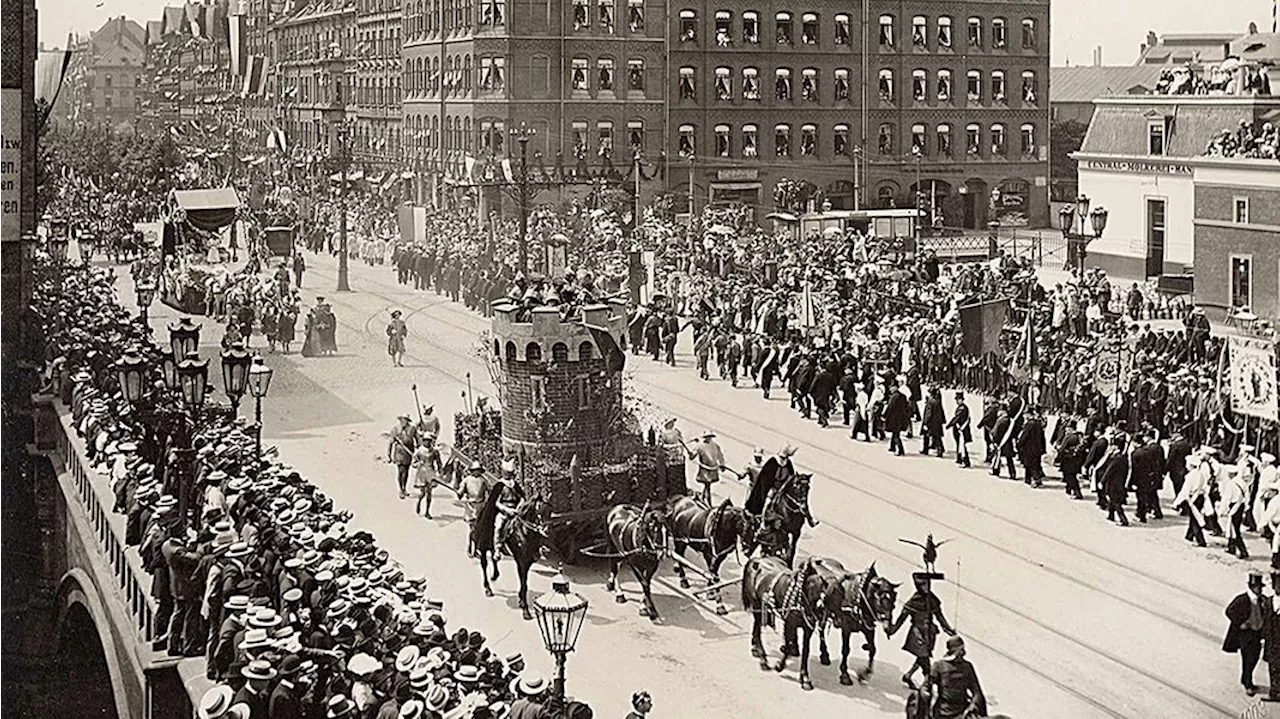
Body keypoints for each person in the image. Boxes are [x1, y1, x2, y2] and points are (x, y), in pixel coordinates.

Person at [887, 572, 956, 688]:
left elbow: (940, 616)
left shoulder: (932, 600)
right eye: (923, 585)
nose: (926, 588)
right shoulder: (913, 602)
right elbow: (901, 619)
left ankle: (908, 675)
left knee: (924, 656)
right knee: (924, 658)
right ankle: (928, 683)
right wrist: (892, 630)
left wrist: (948, 629)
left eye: (928, 585)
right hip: (917, 633)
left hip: (930, 633)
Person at [1224, 571, 1267, 696]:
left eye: (1261, 587)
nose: (1260, 590)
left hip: (1257, 634)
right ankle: (1248, 683)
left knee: (1255, 657)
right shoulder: (1242, 599)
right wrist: (1241, 623)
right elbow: (1229, 611)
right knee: (1248, 659)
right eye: (1258, 587)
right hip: (1245, 635)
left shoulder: (1262, 600)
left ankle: (1245, 678)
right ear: (1252, 587)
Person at [926, 636, 987, 719]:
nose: (963, 651)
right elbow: (927, 685)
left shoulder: (967, 666)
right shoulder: (939, 665)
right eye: (961, 649)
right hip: (943, 711)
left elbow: (976, 691)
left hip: (963, 710)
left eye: (963, 648)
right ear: (954, 650)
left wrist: (973, 705)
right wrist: (926, 695)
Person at [689, 431, 726, 504]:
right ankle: (707, 501)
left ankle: (703, 499)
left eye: (710, 437)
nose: (708, 438)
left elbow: (720, 456)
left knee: (707, 486)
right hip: (705, 469)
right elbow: (692, 456)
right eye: (707, 437)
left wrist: (722, 464)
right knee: (707, 485)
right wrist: (690, 453)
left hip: (713, 469)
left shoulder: (715, 446)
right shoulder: (699, 446)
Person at [411, 433, 442, 518]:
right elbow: (413, 463)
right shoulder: (419, 451)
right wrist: (418, 463)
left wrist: (440, 470)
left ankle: (427, 511)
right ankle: (419, 502)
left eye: (429, 441)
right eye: (425, 441)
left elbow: (439, 462)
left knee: (429, 493)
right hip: (422, 472)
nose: (427, 443)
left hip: (431, 472)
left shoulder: (434, 451)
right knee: (423, 493)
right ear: (423, 441)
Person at [387, 414, 416, 499]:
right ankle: (401, 489)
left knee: (406, 471)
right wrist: (388, 454)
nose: (403, 421)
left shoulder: (412, 429)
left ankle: (404, 488)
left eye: (405, 420)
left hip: (408, 452)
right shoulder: (395, 429)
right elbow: (390, 442)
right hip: (399, 452)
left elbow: (417, 439)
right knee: (401, 471)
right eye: (402, 420)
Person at [946, 391, 971, 467]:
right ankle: (959, 458)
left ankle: (965, 461)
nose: (956, 401)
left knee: (962, 446)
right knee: (959, 445)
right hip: (959, 429)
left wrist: (949, 425)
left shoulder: (962, 408)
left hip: (962, 430)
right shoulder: (961, 407)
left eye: (958, 399)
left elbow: (957, 418)